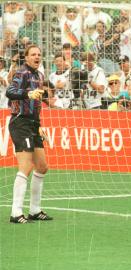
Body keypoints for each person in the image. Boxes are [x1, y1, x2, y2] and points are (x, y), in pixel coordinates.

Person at [6, 44, 53, 224]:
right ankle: (16, 212)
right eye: (33, 54)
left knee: (42, 167)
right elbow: (10, 92)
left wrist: (40, 125)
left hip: (34, 124)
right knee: (26, 166)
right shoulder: (22, 73)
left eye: (39, 54)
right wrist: (27, 93)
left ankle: (34, 210)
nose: (37, 56)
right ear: (26, 57)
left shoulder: (40, 76)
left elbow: (38, 103)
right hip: (20, 122)